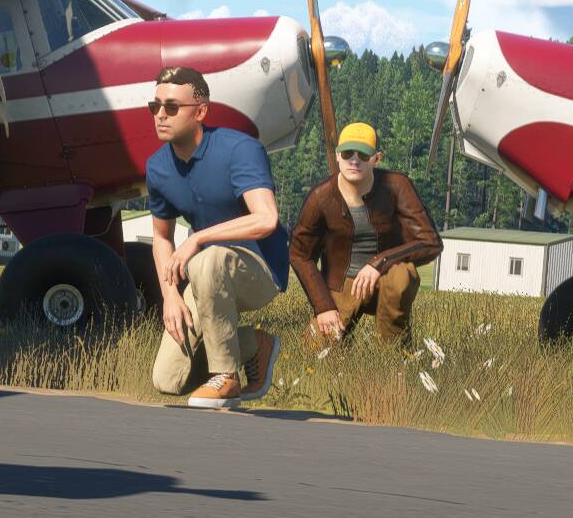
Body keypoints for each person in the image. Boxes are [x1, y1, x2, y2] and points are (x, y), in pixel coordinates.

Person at [141, 65, 284, 409]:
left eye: (172, 107)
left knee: (206, 259)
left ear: (201, 112)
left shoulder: (240, 149)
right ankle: (256, 345)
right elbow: (162, 238)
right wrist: (170, 295)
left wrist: (198, 238)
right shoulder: (157, 167)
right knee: (167, 379)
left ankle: (226, 378)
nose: (160, 115)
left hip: (260, 268)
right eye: (155, 106)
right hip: (205, 273)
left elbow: (266, 219)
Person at [286, 122, 441, 346]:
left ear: (376, 158)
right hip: (342, 284)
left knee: (400, 276)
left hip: (386, 279)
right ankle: (341, 341)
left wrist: (379, 262)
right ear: (337, 156)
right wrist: (323, 306)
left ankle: (394, 348)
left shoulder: (397, 186)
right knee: (316, 348)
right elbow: (300, 254)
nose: (354, 160)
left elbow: (430, 242)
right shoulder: (320, 198)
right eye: (348, 153)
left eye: (363, 154)